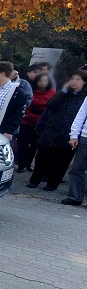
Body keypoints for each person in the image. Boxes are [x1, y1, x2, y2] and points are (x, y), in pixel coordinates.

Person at [28, 71, 87, 191]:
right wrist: (63, 91)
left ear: (84, 82)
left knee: (61, 161)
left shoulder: (84, 97)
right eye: (72, 79)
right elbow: (51, 105)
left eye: (78, 79)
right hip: (53, 130)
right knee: (42, 157)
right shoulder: (63, 93)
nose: (74, 82)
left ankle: (53, 183)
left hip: (69, 133)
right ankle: (35, 179)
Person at [17, 73, 55, 172]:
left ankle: (28, 163)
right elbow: (26, 103)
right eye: (40, 81)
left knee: (35, 144)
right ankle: (21, 164)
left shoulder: (52, 93)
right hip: (27, 119)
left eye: (45, 81)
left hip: (41, 121)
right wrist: (27, 116)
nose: (42, 83)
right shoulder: (31, 90)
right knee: (23, 143)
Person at [61, 76, 87, 205]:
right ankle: (75, 197)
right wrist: (74, 135)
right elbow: (81, 115)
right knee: (78, 168)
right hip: (85, 137)